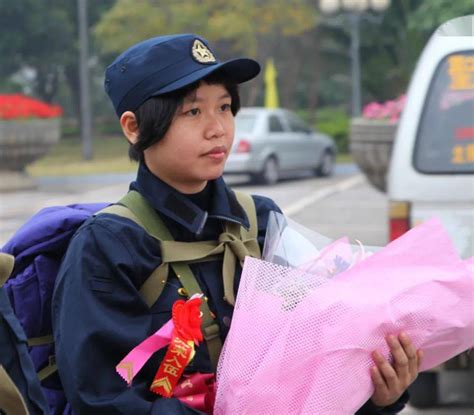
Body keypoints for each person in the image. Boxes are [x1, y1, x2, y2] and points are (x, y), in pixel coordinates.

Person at [52, 33, 422, 414]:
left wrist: (376, 395)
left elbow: (313, 355)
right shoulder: (109, 246)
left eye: (225, 107)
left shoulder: (260, 222)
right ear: (133, 127)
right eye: (192, 112)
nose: (218, 129)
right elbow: (102, 398)